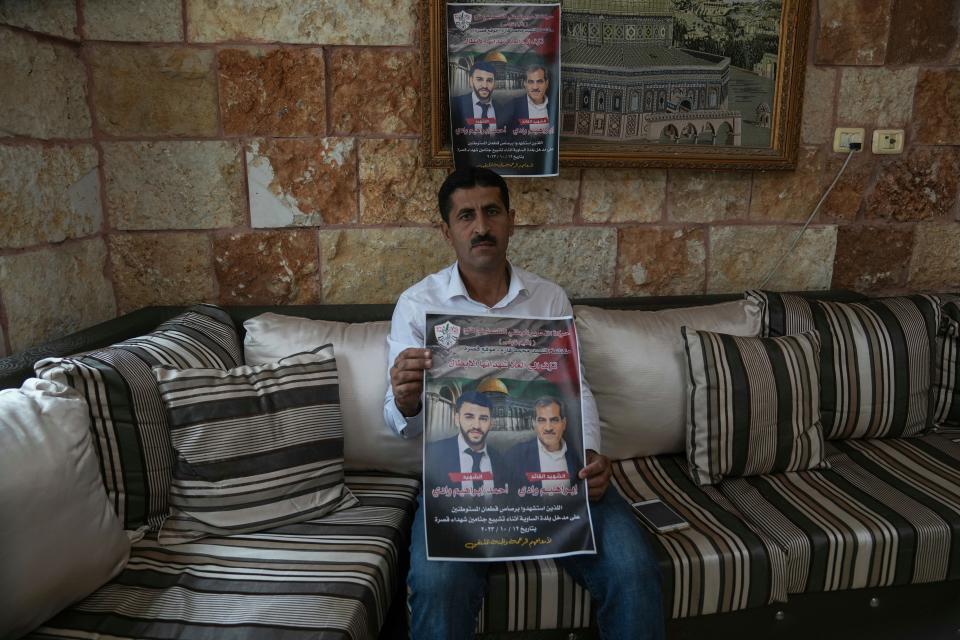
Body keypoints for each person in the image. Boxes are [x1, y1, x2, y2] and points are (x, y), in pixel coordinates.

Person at [384, 166, 665, 640]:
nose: (481, 227)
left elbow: (578, 393)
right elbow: (400, 424)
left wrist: (592, 453)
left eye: (492, 212)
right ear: (446, 230)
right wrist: (406, 400)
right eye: (466, 216)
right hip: (458, 489)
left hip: (558, 476)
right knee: (438, 584)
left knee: (634, 570)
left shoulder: (548, 298)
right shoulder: (417, 306)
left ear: (511, 220)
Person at [424, 390, 508, 493]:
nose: (476, 426)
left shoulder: (499, 460)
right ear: (456, 419)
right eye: (469, 417)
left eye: (483, 418)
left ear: (491, 424)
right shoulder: (433, 453)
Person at [508, 396, 581, 491]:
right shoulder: (514, 455)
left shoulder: (578, 456)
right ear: (534, 424)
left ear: (564, 424)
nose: (548, 428)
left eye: (554, 420)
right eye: (541, 420)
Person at [451, 61, 507, 135]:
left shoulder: (501, 109)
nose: (484, 85)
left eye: (489, 80)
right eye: (479, 79)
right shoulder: (455, 104)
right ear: (471, 81)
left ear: (494, 84)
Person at [508, 64, 554, 135]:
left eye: (539, 81)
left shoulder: (554, 107)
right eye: (530, 82)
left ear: (546, 83)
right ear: (525, 84)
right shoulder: (514, 105)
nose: (535, 87)